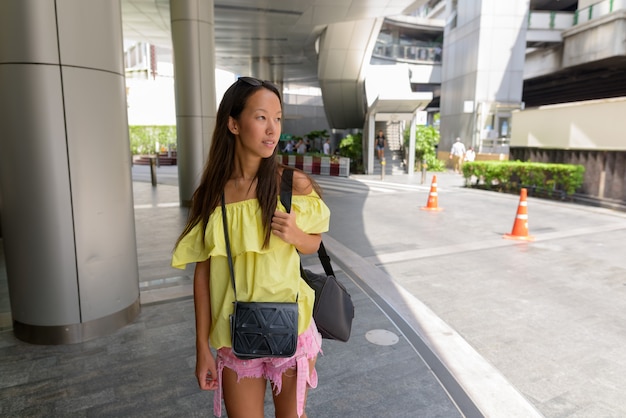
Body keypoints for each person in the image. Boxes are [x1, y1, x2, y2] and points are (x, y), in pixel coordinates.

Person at [171, 76, 330, 418]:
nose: (272, 129)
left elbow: (313, 243)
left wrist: (296, 234)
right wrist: (202, 348)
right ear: (233, 123)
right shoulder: (212, 196)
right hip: (234, 334)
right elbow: (203, 275)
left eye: (277, 118)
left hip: (292, 327)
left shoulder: (290, 184)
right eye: (261, 117)